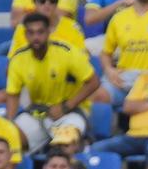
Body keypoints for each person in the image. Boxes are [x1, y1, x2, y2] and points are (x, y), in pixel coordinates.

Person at [6, 14, 102, 153]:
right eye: (31, 33)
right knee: (9, 140)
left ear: (48, 32)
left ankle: (79, 150)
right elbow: (13, 95)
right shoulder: (18, 58)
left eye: (40, 32)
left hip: (70, 112)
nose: (36, 37)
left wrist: (66, 106)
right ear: (26, 35)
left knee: (65, 142)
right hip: (37, 113)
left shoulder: (66, 51)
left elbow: (94, 82)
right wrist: (10, 124)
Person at [9, 0, 86, 57]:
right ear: (35, 3)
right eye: (42, 0)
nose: (47, 4)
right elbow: (13, 59)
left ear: (57, 3)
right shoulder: (23, 28)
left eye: (52, 0)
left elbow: (82, 57)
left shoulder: (72, 27)